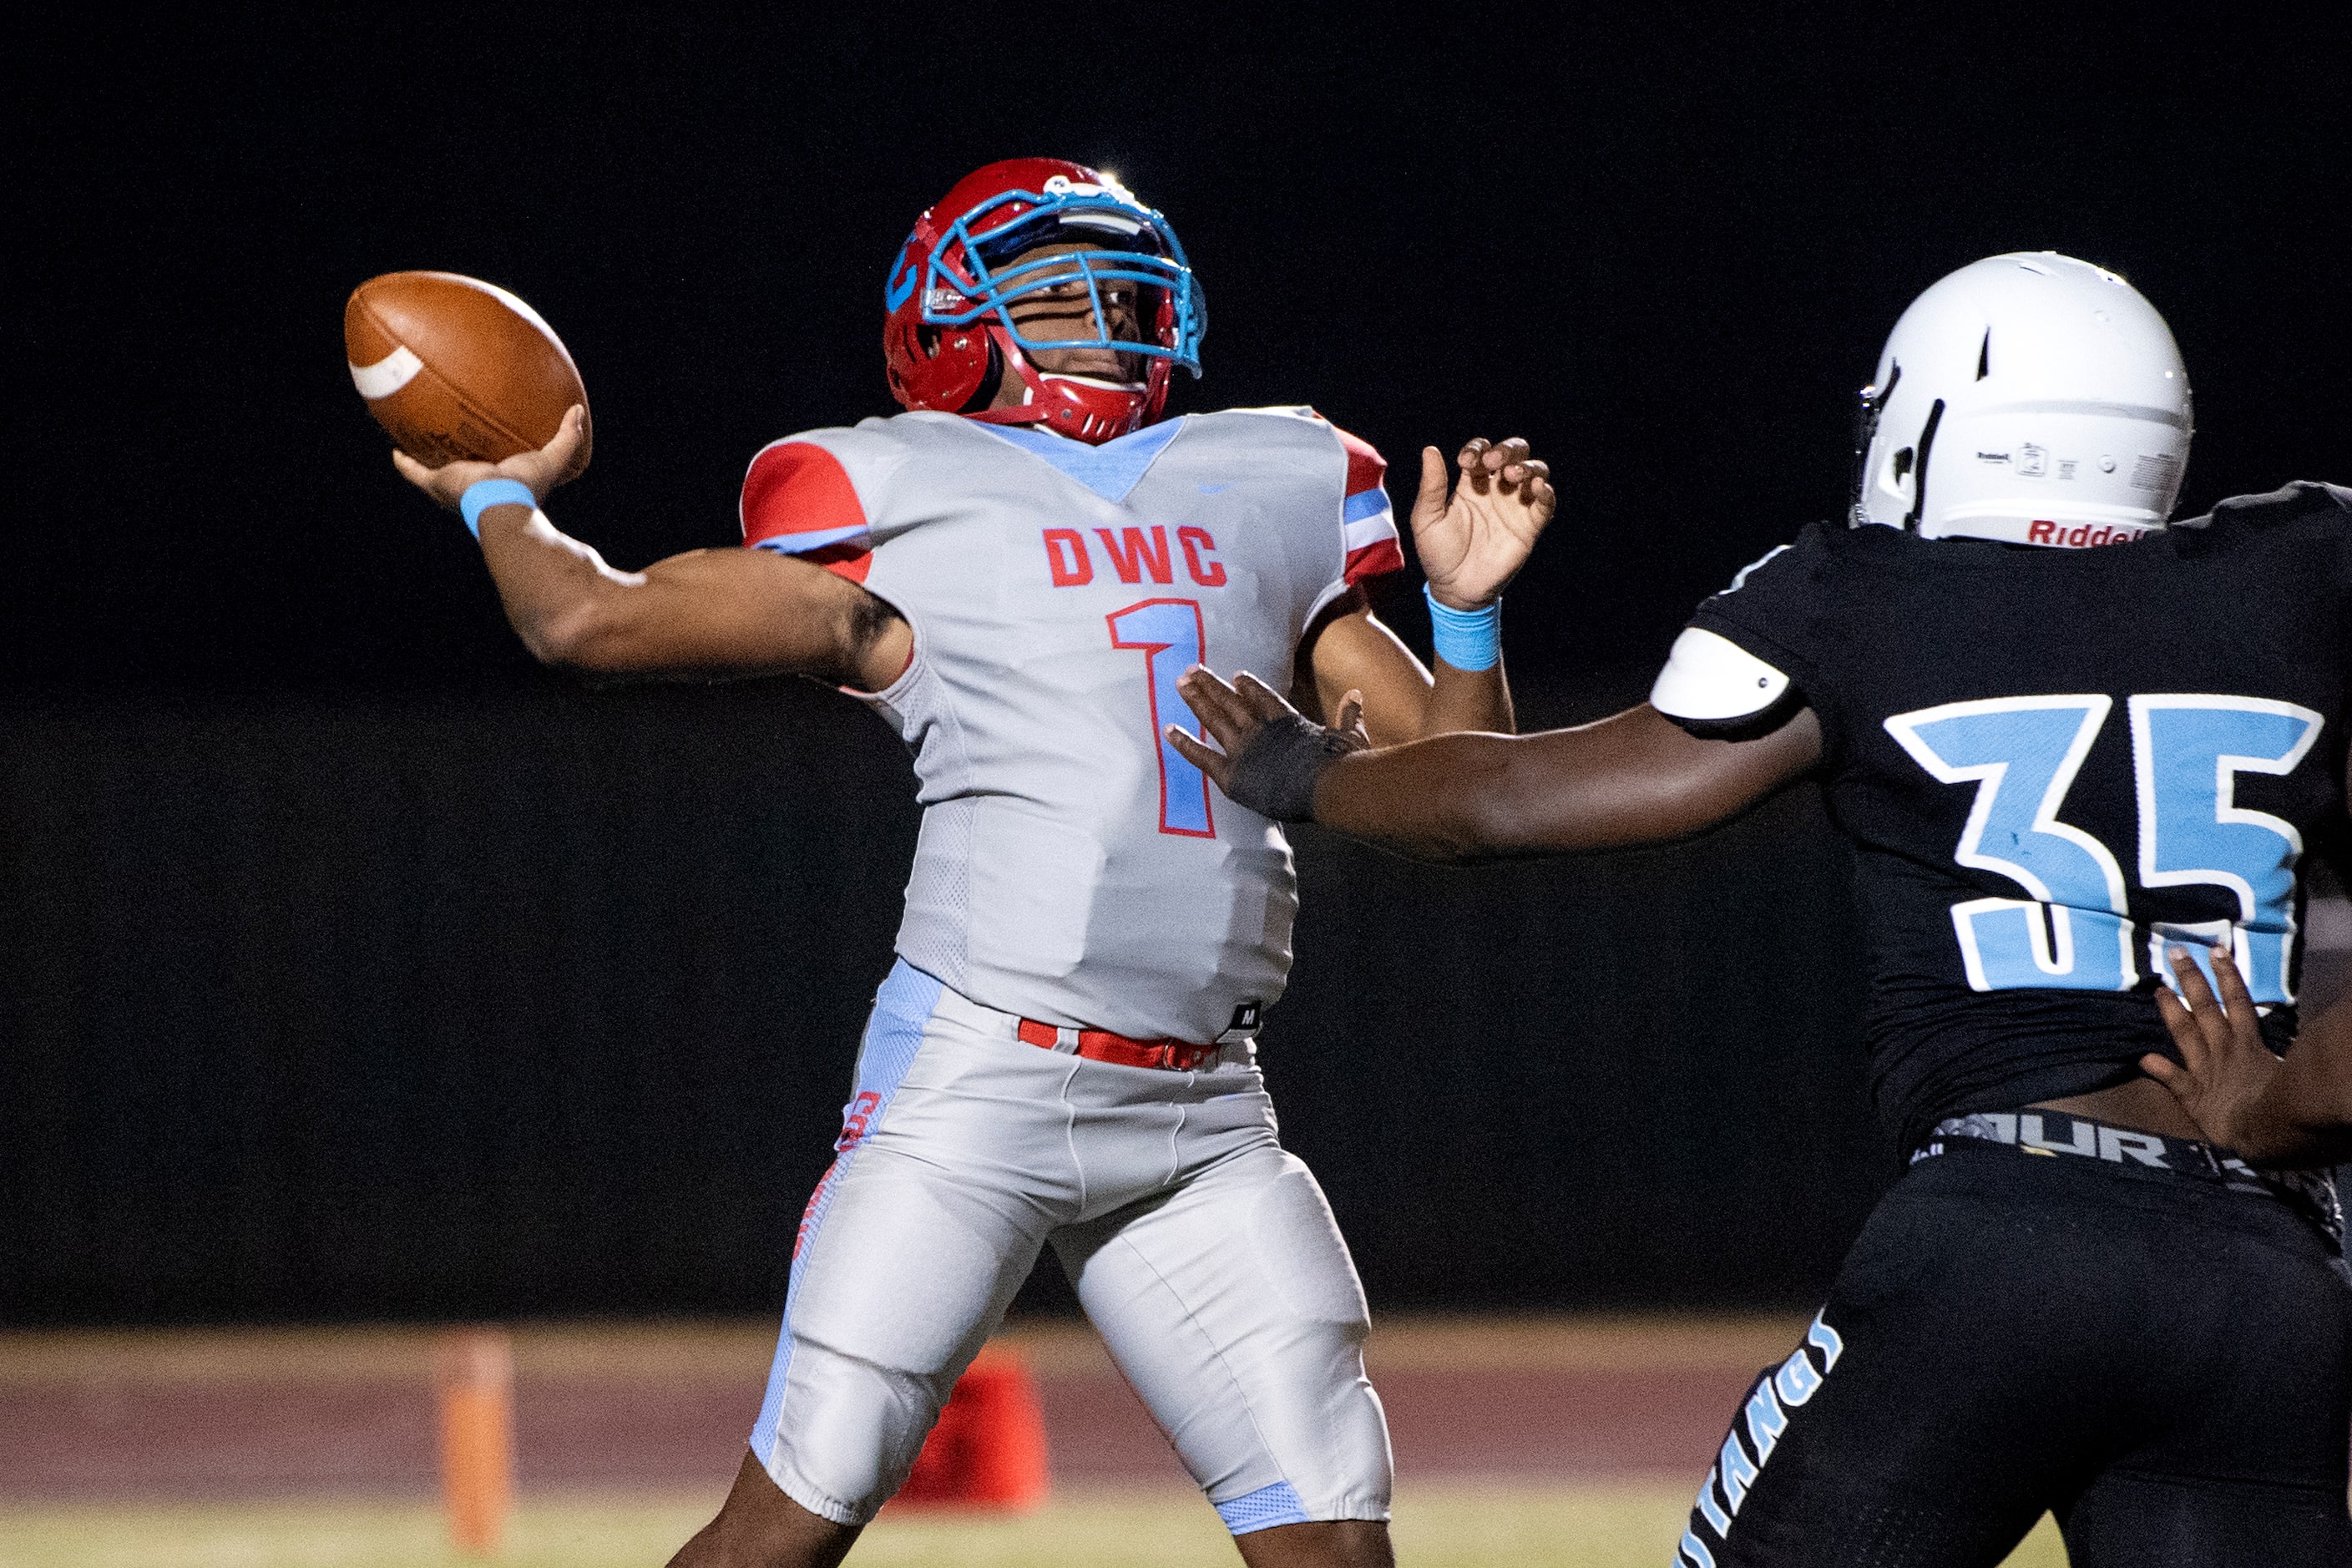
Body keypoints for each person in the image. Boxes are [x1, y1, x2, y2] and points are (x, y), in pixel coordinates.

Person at [387, 157, 1554, 1568]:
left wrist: (1466, 613)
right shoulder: (894, 489)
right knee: (781, 1535)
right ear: (951, 319)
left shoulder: (1279, 474)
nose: (1105, 303)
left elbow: (1456, 787)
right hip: (976, 1087)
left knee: (1337, 1550)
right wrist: (498, 495)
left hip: (1204, 1116)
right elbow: (587, 623)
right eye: (1056, 282)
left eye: (1117, 277)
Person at [1172, 253, 2352, 1565]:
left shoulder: (1857, 602)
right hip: (2266, 1280)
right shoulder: (2304, 572)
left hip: (2003, 1238)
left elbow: (1497, 805)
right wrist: (2287, 1099)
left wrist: (1305, 771)